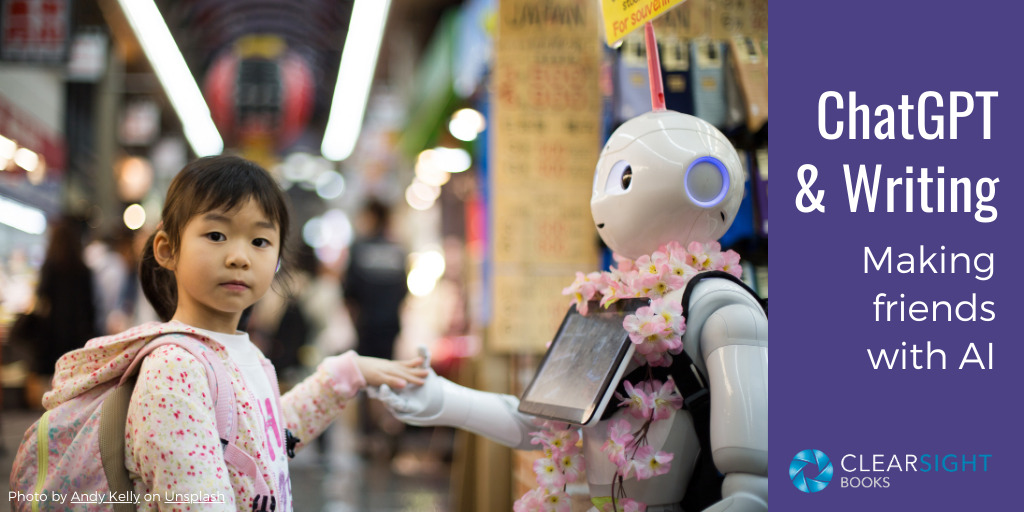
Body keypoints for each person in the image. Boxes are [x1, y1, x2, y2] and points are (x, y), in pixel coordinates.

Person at [41, 155, 428, 511]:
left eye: (260, 241)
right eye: (216, 235)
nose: (239, 256)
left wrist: (347, 374)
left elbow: (263, 442)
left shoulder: (244, 354)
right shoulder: (175, 369)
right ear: (166, 249)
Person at [342, 198, 409, 455]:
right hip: (390, 325)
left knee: (366, 379)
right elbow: (404, 292)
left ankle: (369, 435)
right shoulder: (397, 250)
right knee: (389, 376)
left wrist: (355, 320)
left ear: (371, 216)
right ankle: (389, 427)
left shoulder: (359, 249)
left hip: (366, 326)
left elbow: (348, 292)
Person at [26, 216, 98, 406]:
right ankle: (69, 408)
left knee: (52, 374)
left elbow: (42, 296)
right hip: (76, 331)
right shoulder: (83, 269)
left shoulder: (50, 266)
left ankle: (51, 410)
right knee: (72, 373)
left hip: (53, 331)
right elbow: (90, 304)